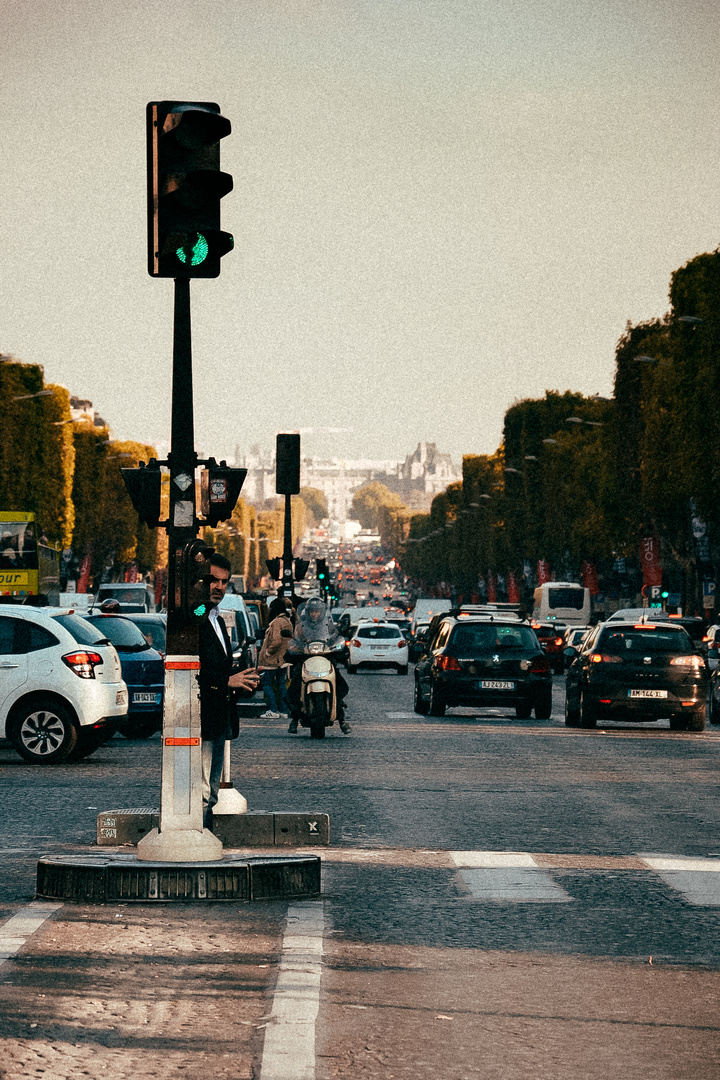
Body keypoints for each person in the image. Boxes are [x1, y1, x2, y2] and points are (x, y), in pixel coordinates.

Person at [198, 552, 259, 830]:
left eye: (223, 582)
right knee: (202, 790)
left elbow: (219, 667)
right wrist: (226, 682)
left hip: (219, 716)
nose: (218, 587)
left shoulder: (218, 620)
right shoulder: (198, 616)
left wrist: (240, 681)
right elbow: (193, 668)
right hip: (201, 717)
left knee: (211, 790)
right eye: (212, 580)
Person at [285, 596, 351, 735]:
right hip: (306, 658)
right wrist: (294, 647)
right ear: (307, 613)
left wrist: (338, 645)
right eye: (312, 611)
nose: (314, 614)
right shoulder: (301, 626)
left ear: (322, 613)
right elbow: (296, 640)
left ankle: (341, 718)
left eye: (317, 611)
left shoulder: (328, 626)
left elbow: (336, 637)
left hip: (326, 657)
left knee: (339, 683)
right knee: (296, 682)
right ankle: (295, 718)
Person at [257, 597, 294, 719]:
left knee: (266, 683)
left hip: (273, 660)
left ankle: (273, 709)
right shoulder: (287, 621)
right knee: (281, 683)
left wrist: (268, 652)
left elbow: (276, 640)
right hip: (282, 659)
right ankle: (283, 710)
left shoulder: (277, 622)